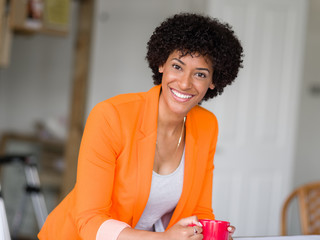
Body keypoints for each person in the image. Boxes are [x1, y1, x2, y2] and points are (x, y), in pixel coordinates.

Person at [38, 12, 243, 240]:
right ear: (161, 64)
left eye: (200, 74)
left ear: (213, 81)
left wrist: (210, 233)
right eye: (177, 66)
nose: (185, 83)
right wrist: (165, 239)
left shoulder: (207, 125)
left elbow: (200, 210)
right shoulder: (111, 116)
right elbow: (90, 221)